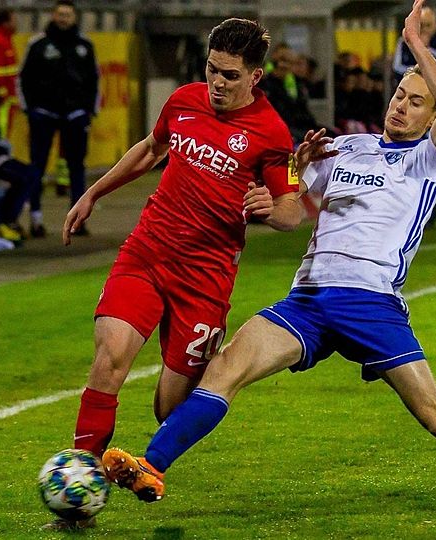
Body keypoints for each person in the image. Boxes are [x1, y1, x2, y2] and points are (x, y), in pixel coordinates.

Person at [99, 0, 436, 524]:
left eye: (415, 103)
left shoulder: (430, 158)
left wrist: (415, 46)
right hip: (309, 300)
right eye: (400, 96)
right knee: (225, 366)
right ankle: (151, 465)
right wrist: (289, 180)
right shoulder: (342, 149)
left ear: (430, 118)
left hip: (371, 304)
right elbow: (294, 208)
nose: (402, 106)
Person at [41, 16, 303, 531]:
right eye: (212, 71)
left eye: (230, 75)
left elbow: (295, 211)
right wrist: (94, 192)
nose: (218, 83)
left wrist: (269, 205)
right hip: (147, 252)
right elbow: (150, 148)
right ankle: (83, 492)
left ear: (255, 76)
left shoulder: (273, 133)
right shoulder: (184, 100)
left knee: (172, 407)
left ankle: (143, 462)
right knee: (109, 359)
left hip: (205, 279)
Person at [19, 0, 99, 238]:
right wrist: (31, 109)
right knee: (37, 167)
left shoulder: (85, 45)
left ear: (74, 17)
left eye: (68, 14)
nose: (64, 18)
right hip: (44, 113)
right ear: (53, 15)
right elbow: (23, 78)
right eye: (60, 14)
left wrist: (88, 111)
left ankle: (78, 220)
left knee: (77, 168)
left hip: (75, 114)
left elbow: (95, 79)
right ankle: (35, 219)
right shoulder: (38, 44)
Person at [392, 4, 436, 82]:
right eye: (421, 25)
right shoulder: (404, 42)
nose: (424, 29)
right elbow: (397, 69)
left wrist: (425, 49)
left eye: (428, 25)